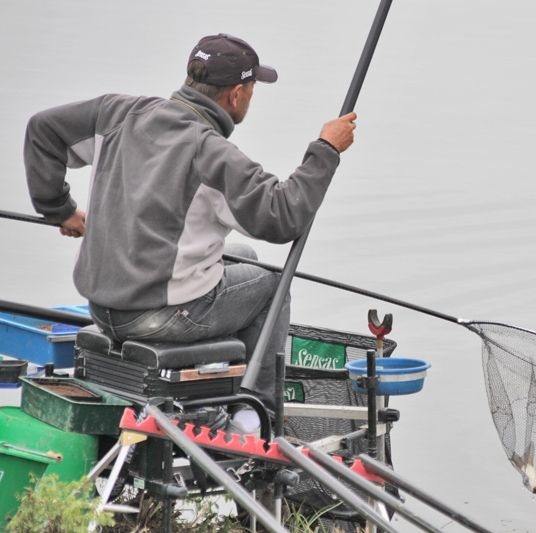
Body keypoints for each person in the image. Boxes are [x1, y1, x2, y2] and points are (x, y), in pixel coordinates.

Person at [23, 33, 357, 429]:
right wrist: (325, 150)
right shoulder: (211, 153)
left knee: (242, 258)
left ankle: (211, 387)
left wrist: (58, 209)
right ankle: (257, 415)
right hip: (159, 315)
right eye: (252, 88)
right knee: (271, 285)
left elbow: (42, 130)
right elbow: (281, 217)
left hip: (102, 304)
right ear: (236, 95)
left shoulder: (117, 113)